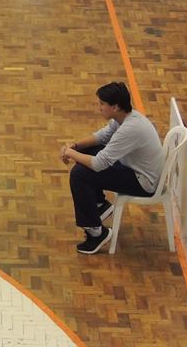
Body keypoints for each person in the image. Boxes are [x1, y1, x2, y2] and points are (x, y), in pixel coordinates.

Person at [60, 82, 163, 255]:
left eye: (102, 104)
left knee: (79, 174)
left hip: (143, 182)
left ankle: (96, 233)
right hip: (133, 168)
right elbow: (103, 136)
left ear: (115, 107)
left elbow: (99, 164)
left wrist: (69, 153)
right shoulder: (125, 117)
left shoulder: (130, 129)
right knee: (86, 152)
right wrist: (75, 146)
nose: (99, 107)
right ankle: (100, 205)